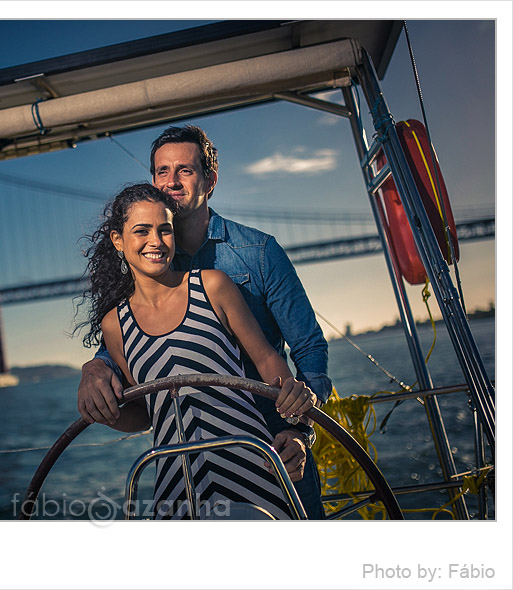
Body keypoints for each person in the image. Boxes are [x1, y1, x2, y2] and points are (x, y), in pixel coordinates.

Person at [77, 125, 332, 519]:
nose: (171, 182)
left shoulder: (258, 253)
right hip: (183, 468)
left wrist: (300, 431)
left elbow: (309, 349)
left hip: (270, 448)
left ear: (210, 180)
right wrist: (94, 369)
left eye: (185, 170)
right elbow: (134, 360)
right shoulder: (150, 263)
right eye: (162, 171)